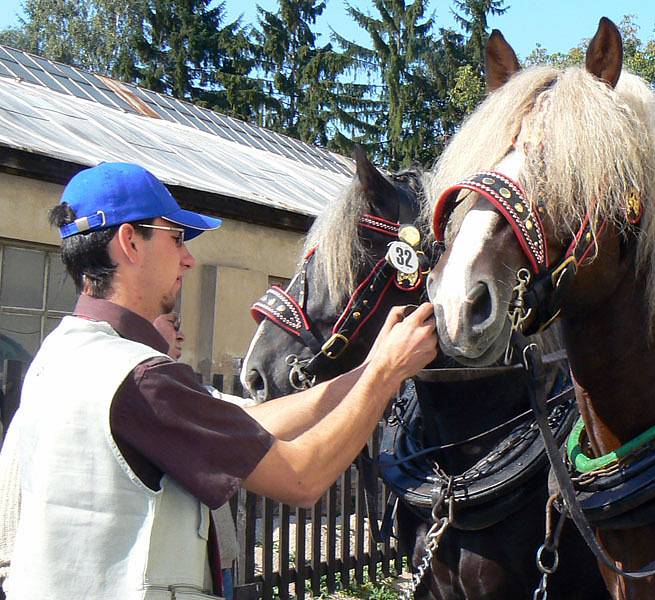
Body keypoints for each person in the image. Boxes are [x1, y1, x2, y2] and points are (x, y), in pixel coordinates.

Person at [2, 162, 438, 600]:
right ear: (130, 242)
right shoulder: (139, 378)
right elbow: (302, 478)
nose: (188, 258)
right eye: (176, 239)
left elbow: (252, 424)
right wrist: (386, 374)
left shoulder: (62, 356)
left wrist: (367, 368)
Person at [152, 311, 239, 600]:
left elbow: (250, 413)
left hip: (216, 560)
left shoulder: (193, 392)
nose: (181, 335)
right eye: (171, 325)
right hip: (170, 576)